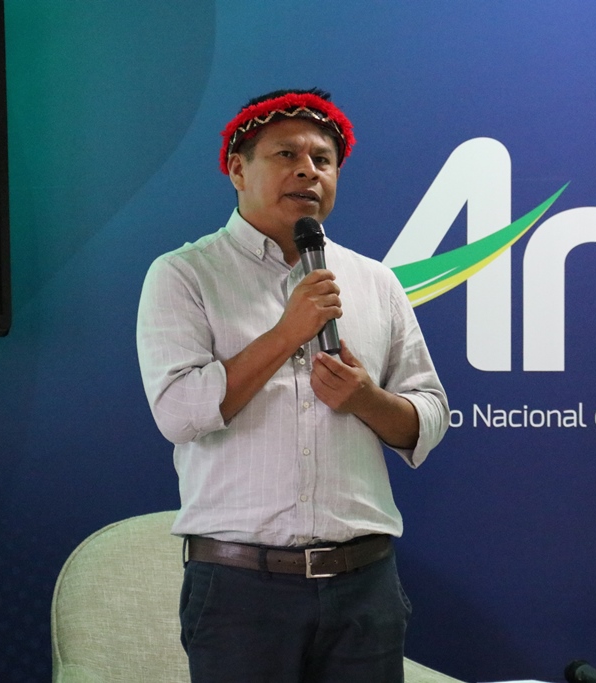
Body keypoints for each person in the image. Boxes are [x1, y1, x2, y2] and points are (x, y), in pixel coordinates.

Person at [136, 88, 450, 683]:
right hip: (239, 591)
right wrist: (287, 333)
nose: (308, 171)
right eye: (287, 155)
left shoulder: (375, 281)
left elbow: (430, 415)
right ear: (237, 169)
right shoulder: (185, 274)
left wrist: (365, 399)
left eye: (323, 160)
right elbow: (178, 413)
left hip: (364, 586)